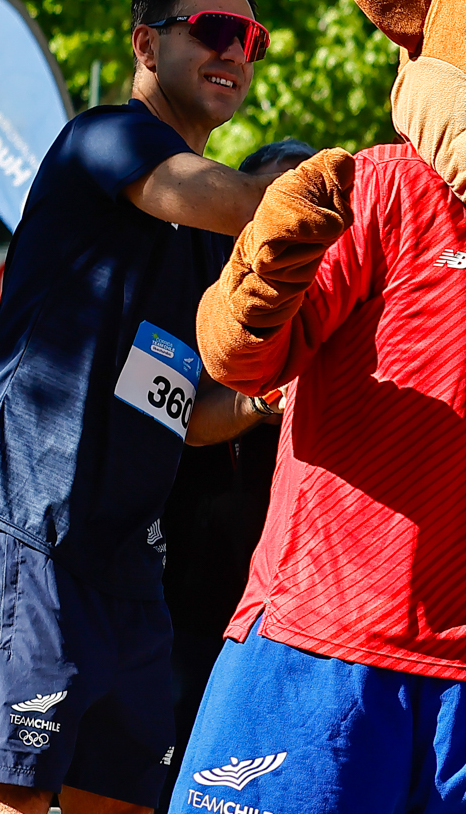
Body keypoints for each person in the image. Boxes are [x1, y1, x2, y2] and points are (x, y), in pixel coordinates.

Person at [0, 0, 289, 814]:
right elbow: (216, 194)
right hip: (23, 516)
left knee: (122, 798)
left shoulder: (212, 239)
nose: (235, 50)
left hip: (128, 557)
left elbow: (189, 413)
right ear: (145, 42)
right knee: (9, 793)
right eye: (211, 28)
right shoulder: (104, 138)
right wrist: (350, 194)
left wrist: (270, 396)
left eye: (251, 38)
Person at [155, 141, 305, 806]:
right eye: (268, 201)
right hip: (187, 587)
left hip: (291, 607)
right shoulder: (194, 288)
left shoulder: (342, 297)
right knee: (177, 767)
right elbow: (176, 415)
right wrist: (263, 399)